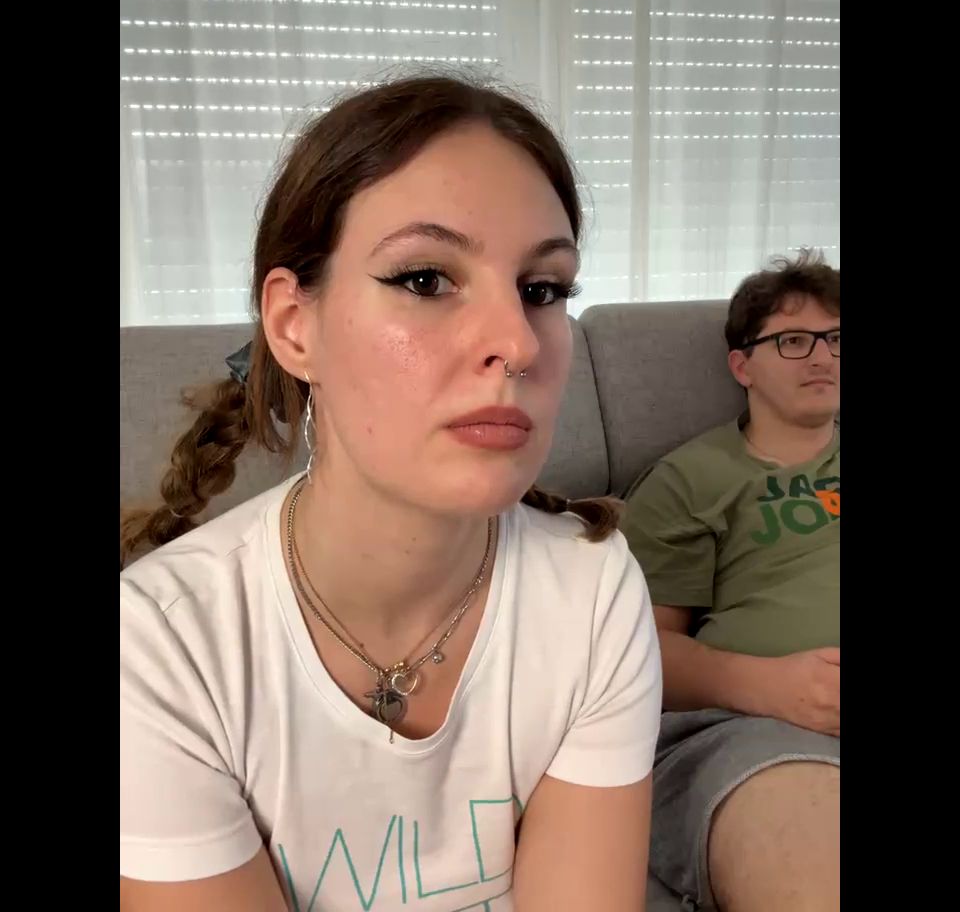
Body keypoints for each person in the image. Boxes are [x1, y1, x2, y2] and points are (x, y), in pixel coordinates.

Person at [119, 74, 663, 912]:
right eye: (424, 279)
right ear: (294, 325)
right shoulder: (161, 645)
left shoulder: (592, 592)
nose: (519, 343)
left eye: (543, 290)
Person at [620, 251, 840, 912]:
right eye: (794, 340)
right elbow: (636, 655)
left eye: (836, 338)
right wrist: (774, 687)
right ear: (742, 366)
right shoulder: (689, 480)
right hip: (757, 733)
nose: (822, 357)